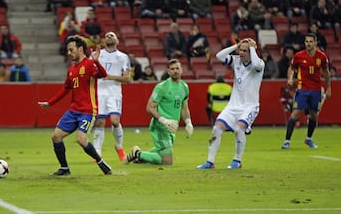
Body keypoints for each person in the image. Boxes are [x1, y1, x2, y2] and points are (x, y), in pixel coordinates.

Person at [38, 35, 112, 175]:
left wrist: (97, 62)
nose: (69, 53)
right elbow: (65, 89)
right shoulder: (72, 69)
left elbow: (103, 74)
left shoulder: (90, 64)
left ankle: (101, 162)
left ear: (80, 49)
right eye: (68, 50)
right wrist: (50, 103)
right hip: (73, 110)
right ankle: (64, 168)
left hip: (88, 111)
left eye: (71, 50)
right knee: (56, 136)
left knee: (81, 139)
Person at [196, 38, 265, 169]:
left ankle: (237, 161)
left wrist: (252, 48)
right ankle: (210, 162)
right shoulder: (236, 60)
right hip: (233, 106)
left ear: (252, 51)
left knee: (238, 129)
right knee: (216, 129)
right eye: (241, 50)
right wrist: (236, 46)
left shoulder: (260, 64)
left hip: (250, 106)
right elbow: (219, 56)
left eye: (245, 50)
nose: (241, 53)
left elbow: (255, 65)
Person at [124, 59, 194, 165]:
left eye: (177, 68)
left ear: (182, 70)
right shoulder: (162, 87)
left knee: (162, 151)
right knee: (167, 161)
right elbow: (150, 108)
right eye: (172, 69)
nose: (175, 71)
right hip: (160, 127)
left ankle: (141, 157)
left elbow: (184, 107)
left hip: (172, 127)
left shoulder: (184, 87)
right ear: (168, 71)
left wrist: (189, 123)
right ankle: (137, 154)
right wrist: (164, 121)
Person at [281, 33, 331, 149]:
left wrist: (329, 88)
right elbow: (291, 68)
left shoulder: (322, 57)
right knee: (296, 113)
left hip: (316, 90)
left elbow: (326, 72)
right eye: (306, 41)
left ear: (315, 43)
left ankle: (308, 139)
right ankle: (287, 141)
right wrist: (289, 78)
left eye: (310, 41)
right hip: (302, 89)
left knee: (313, 116)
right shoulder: (298, 56)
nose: (308, 44)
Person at [92, 32, 131, 161]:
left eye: (112, 35)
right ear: (104, 40)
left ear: (117, 40)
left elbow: (127, 78)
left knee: (115, 121)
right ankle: (97, 151)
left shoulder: (123, 57)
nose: (109, 37)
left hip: (114, 92)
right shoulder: (97, 55)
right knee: (100, 122)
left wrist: (110, 77)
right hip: (99, 92)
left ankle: (119, 147)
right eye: (107, 35)